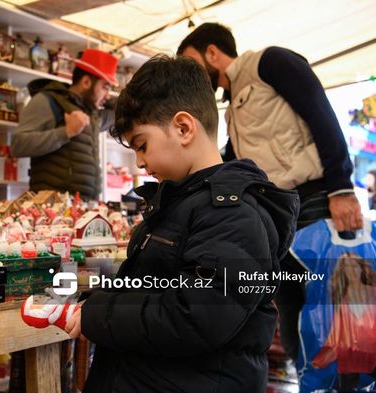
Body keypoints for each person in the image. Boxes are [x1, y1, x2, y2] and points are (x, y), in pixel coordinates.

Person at [63, 55, 299, 393]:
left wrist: (99, 316)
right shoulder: (179, 204)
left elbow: (195, 316)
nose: (141, 162)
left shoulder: (232, 215)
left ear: (184, 128)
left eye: (142, 146)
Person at [177, 22, 363, 362]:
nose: (190, 72)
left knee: (332, 310)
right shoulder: (232, 109)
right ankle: (307, 379)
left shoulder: (270, 63)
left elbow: (321, 113)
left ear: (213, 53)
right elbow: (230, 160)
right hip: (278, 218)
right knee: (291, 307)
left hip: (315, 202)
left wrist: (340, 187)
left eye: (191, 61)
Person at [10, 49, 118, 199]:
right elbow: (17, 145)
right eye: (105, 87)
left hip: (85, 206)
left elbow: (120, 113)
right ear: (86, 82)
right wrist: (66, 132)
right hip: (52, 208)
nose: (108, 94)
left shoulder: (93, 115)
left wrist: (107, 96)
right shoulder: (48, 100)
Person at [312, 252, 376, 391]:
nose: (351, 271)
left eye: (354, 266)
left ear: (361, 268)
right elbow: (336, 334)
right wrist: (323, 358)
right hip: (351, 356)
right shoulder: (342, 301)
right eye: (347, 267)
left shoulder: (374, 293)